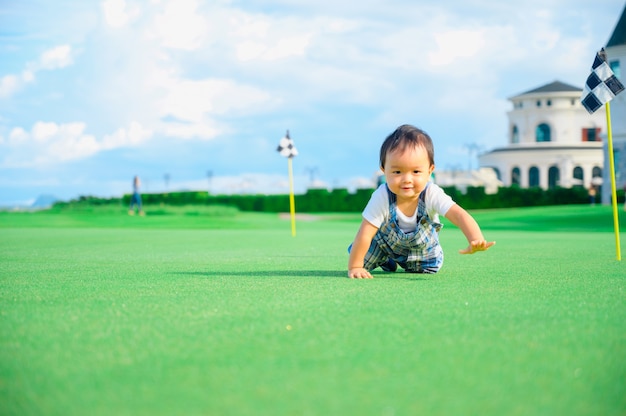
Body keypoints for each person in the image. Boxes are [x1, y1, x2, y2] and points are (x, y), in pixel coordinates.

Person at [348, 124, 495, 278]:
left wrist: (476, 239)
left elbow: (459, 215)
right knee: (361, 257)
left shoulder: (431, 193)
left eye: (416, 171)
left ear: (430, 171)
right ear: (384, 170)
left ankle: (403, 262)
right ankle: (387, 260)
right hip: (385, 245)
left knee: (430, 268)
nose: (407, 179)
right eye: (397, 172)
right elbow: (365, 233)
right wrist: (355, 266)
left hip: (421, 250)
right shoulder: (382, 195)